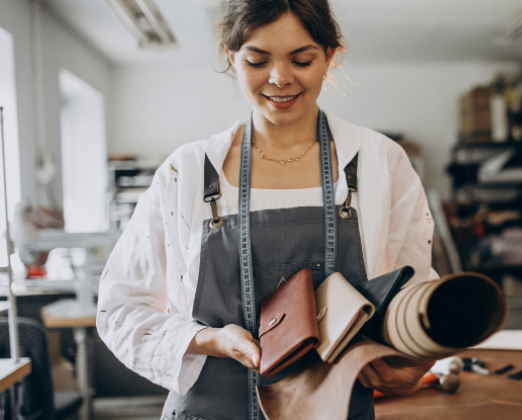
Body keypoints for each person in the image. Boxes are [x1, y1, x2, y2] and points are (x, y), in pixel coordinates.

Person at [96, 0, 437, 419]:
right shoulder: (187, 171)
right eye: (257, 60)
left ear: (331, 56)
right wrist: (209, 341)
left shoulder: (379, 162)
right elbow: (121, 309)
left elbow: (414, 295)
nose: (280, 78)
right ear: (231, 57)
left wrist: (412, 359)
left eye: (302, 59)